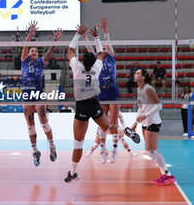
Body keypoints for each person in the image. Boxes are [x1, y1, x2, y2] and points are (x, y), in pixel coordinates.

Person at [64, 24, 140, 183]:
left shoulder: (77, 67)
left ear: (82, 61)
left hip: (82, 107)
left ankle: (73, 172)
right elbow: (100, 53)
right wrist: (97, 36)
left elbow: (70, 51)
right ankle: (123, 130)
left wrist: (78, 35)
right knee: (108, 127)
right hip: (94, 104)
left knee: (78, 144)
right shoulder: (97, 68)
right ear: (93, 61)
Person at [21, 20, 63, 166]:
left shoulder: (40, 62)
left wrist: (55, 42)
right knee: (30, 126)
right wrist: (30, 34)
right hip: (27, 95)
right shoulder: (24, 62)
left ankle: (52, 146)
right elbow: (25, 47)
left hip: (38, 94)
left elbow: (49, 53)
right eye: (31, 50)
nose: (33, 52)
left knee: (44, 124)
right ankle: (35, 151)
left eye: (35, 51)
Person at [82, 17, 120, 163]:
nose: (103, 50)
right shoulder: (97, 61)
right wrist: (85, 36)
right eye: (101, 49)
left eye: (105, 49)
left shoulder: (111, 58)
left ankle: (115, 150)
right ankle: (103, 150)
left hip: (113, 90)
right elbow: (90, 49)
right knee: (102, 122)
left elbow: (108, 45)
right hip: (102, 92)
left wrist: (104, 31)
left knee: (114, 120)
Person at [132, 68, 175, 185]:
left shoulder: (148, 89)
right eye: (135, 73)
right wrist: (136, 122)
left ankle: (167, 174)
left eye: (137, 73)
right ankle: (165, 174)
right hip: (145, 122)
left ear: (143, 77)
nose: (135, 74)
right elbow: (141, 107)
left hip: (153, 122)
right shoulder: (138, 89)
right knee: (152, 151)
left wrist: (145, 116)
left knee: (150, 151)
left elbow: (159, 106)